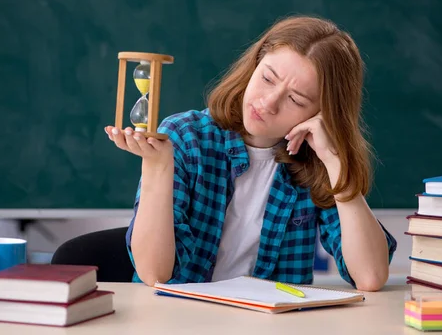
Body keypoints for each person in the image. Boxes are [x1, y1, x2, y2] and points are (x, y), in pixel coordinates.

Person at [105, 15, 397, 291]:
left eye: (295, 99)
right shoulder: (185, 136)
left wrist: (334, 160)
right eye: (267, 79)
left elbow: (370, 276)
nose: (268, 103)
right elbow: (155, 274)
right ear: (255, 64)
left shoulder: (314, 161)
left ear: (322, 113)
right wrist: (156, 168)